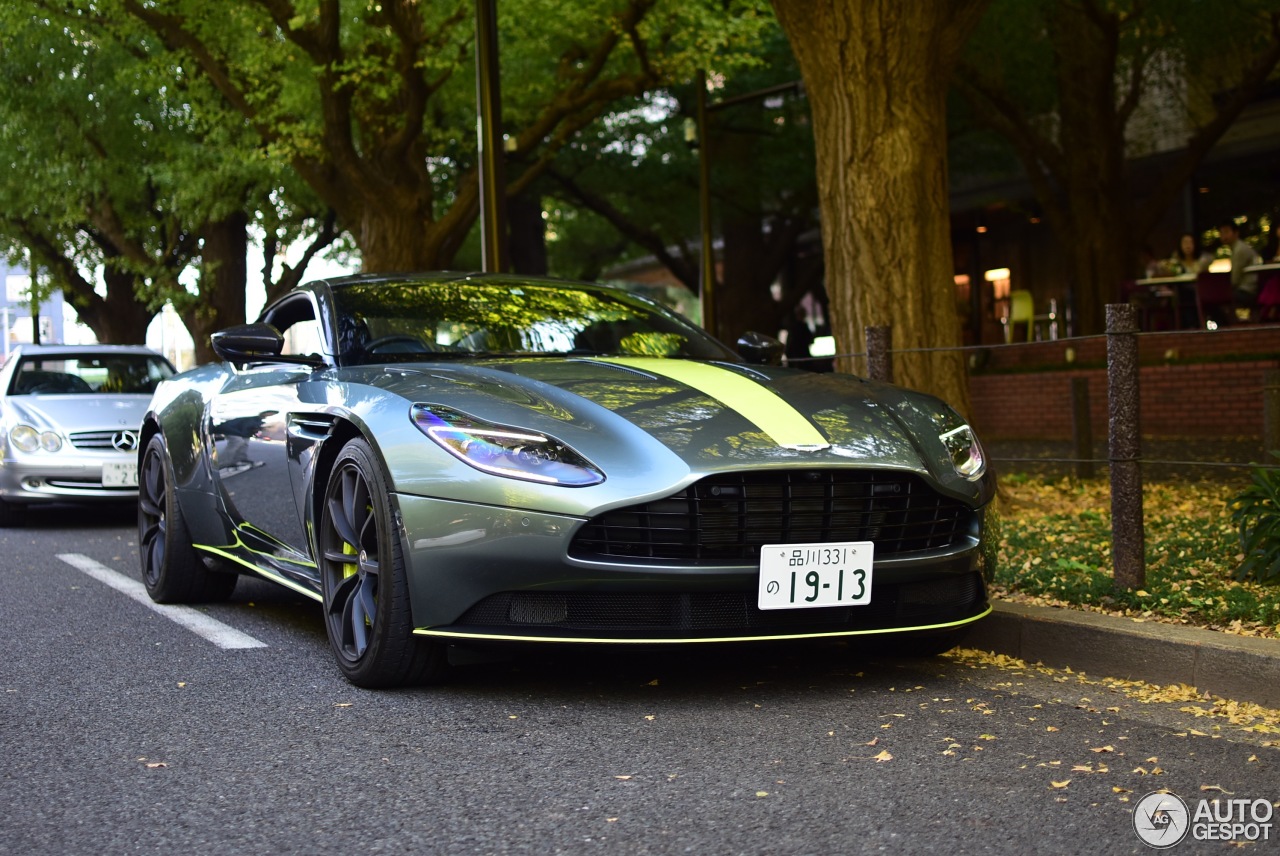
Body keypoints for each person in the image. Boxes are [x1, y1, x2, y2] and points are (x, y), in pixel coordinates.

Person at [1219, 220, 1263, 312]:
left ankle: (1230, 324)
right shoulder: (1236, 248)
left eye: (1226, 232)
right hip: (1247, 288)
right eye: (1222, 233)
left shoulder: (1239, 250)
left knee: (1217, 298)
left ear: (1236, 233)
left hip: (1248, 290)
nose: (1224, 236)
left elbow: (1235, 279)